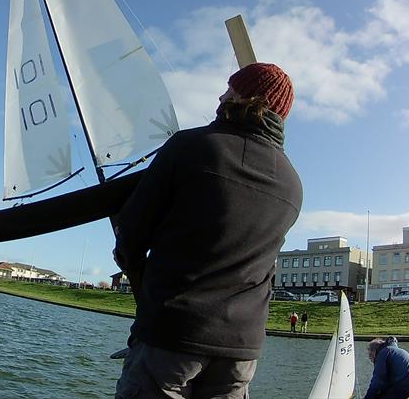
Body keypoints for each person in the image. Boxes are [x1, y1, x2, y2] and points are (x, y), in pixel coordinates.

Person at [113, 63, 303, 398]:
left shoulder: (190, 146)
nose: (221, 95)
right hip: (241, 351)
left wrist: (136, 272)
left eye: (230, 89)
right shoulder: (292, 184)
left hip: (171, 336)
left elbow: (131, 232)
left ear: (248, 98)